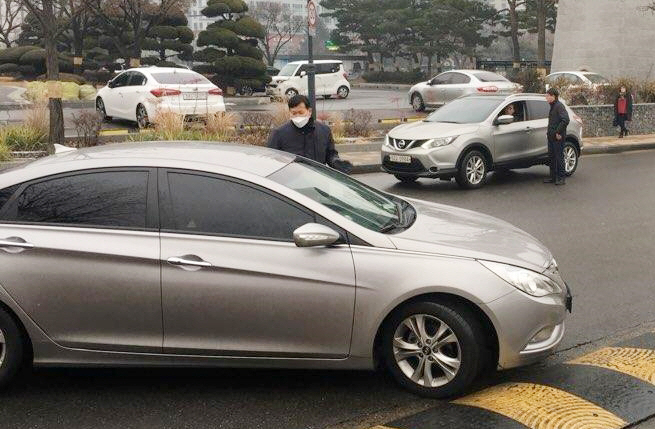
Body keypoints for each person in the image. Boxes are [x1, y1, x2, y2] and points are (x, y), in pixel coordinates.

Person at [267, 95, 352, 174]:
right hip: (291, 183)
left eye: (301, 113)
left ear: (309, 111)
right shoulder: (279, 133)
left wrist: (336, 162)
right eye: (294, 113)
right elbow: (271, 160)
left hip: (319, 180)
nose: (297, 116)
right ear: (289, 113)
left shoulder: (324, 131)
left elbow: (330, 154)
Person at [544, 88, 570, 186]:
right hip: (551, 137)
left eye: (547, 96)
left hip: (558, 137)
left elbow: (565, 120)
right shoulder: (553, 106)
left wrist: (558, 132)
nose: (546, 97)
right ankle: (553, 177)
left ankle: (561, 178)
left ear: (553, 96)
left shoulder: (559, 106)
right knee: (552, 157)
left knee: (559, 157)